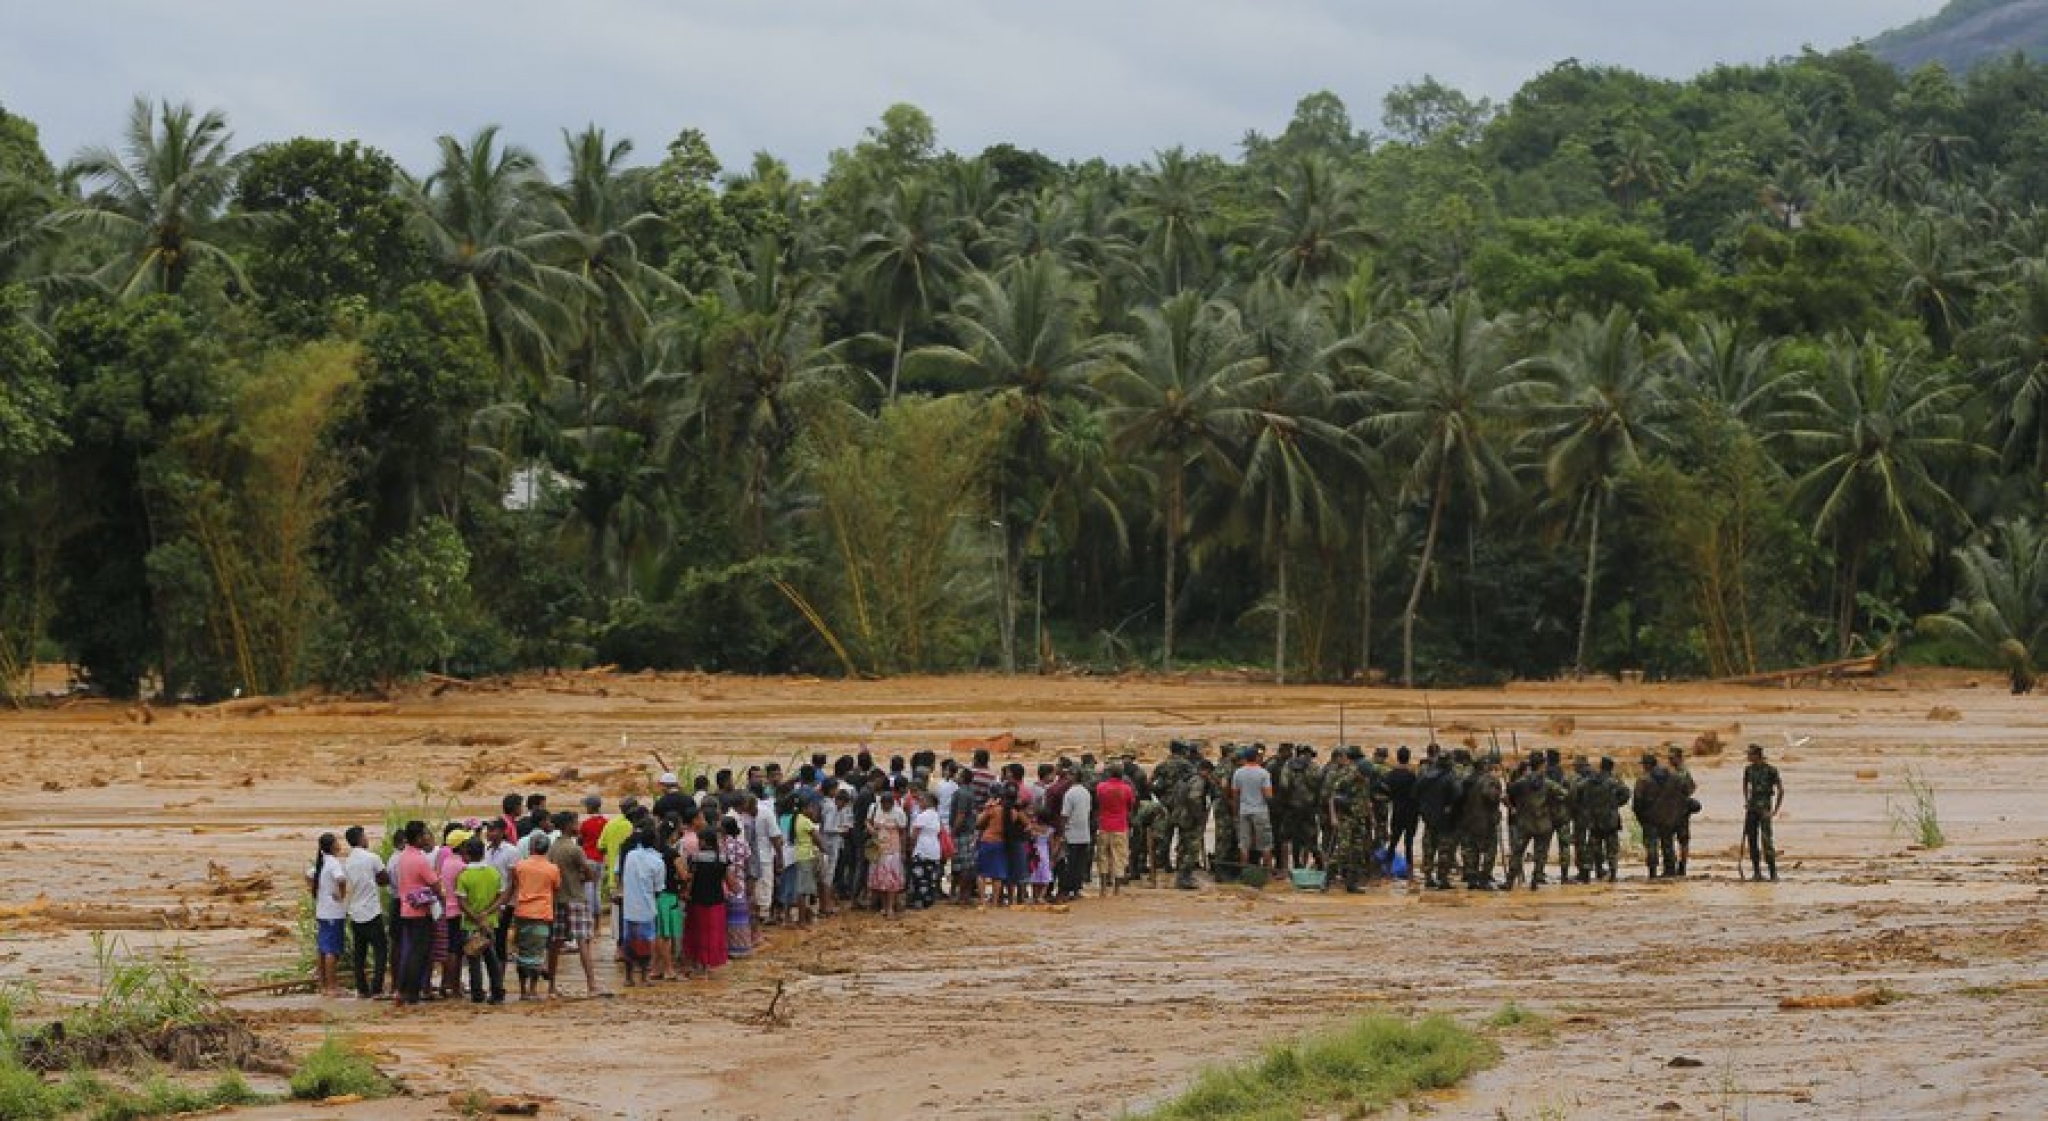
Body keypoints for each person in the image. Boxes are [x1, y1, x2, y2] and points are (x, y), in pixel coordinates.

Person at [546, 811, 602, 997]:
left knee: (556, 943)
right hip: (576, 899)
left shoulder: (552, 848)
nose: (579, 825)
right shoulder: (575, 849)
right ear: (570, 825)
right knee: (583, 941)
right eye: (576, 822)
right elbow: (588, 873)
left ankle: (551, 986)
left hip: (558, 899)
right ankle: (592, 985)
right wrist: (585, 876)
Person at [452, 837, 505, 1004]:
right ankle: (497, 991)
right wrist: (487, 912)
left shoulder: (464, 876)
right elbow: (500, 896)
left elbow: (461, 902)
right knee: (492, 957)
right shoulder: (493, 873)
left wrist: (475, 917)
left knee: (474, 958)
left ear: (467, 854)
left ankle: (477, 993)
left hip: (470, 924)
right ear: (483, 853)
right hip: (490, 922)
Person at [510, 833, 561, 1000]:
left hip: (522, 912)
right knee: (537, 953)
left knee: (523, 951)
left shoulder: (520, 866)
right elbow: (556, 888)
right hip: (542, 913)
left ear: (531, 848)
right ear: (547, 848)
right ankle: (533, 989)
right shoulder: (553, 869)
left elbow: (516, 884)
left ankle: (523, 990)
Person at [339, 826, 388, 999]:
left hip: (355, 911)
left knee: (360, 953)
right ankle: (377, 988)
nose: (367, 839)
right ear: (361, 839)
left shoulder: (348, 862)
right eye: (365, 836)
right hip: (371, 911)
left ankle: (362, 988)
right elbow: (384, 879)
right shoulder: (372, 858)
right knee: (381, 950)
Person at [681, 825, 730, 978]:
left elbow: (690, 880)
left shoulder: (694, 858)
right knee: (714, 933)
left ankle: (699, 964)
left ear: (703, 842)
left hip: (697, 901)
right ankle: (711, 964)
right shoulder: (722, 859)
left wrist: (685, 893)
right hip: (717, 901)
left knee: (697, 932)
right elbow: (729, 880)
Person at [619, 828, 664, 988]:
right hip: (646, 907)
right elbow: (658, 889)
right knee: (646, 942)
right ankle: (644, 977)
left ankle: (628, 977)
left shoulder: (630, 856)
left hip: (630, 907)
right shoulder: (658, 862)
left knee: (629, 942)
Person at [311, 833, 349, 998]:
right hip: (333, 911)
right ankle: (332, 986)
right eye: (337, 842)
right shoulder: (334, 863)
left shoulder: (322, 861)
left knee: (323, 948)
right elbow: (341, 879)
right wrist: (341, 895)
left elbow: (308, 874)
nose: (340, 844)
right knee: (331, 950)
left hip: (322, 910)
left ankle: (323, 984)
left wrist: (317, 892)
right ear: (333, 846)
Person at [1458, 756, 1503, 890]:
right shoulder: (1489, 780)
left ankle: (1472, 879)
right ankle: (1484, 879)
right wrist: (1499, 795)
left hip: (1470, 820)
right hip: (1486, 821)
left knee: (1472, 850)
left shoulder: (1467, 780)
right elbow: (1489, 794)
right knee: (1490, 851)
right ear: (1485, 766)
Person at [1632, 753, 1678, 879]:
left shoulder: (1643, 780)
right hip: (1668, 818)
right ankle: (1670, 871)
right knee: (1668, 844)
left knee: (1651, 845)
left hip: (1650, 819)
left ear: (1647, 765)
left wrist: (1641, 818)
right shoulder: (1672, 777)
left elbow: (1637, 802)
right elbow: (1679, 796)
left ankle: (1653, 873)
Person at [1742, 744, 1784, 881]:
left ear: (1757, 755)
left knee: (1767, 841)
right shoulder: (1748, 770)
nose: (1748, 756)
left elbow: (1781, 790)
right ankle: (1757, 873)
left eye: (1750, 754)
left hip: (1765, 808)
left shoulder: (1771, 770)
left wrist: (1775, 811)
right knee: (1752, 840)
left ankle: (1773, 873)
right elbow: (1745, 785)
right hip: (1752, 809)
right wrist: (1747, 801)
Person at [1093, 763, 1134, 895]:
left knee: (1102, 856)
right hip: (1120, 826)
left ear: (1109, 774)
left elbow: (1098, 801)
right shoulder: (1127, 789)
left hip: (1104, 825)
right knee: (1119, 857)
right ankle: (1116, 890)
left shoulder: (1101, 787)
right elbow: (1131, 805)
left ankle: (1103, 888)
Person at [1230, 748, 1274, 870]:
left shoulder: (1238, 773)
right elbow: (1268, 795)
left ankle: (1244, 872)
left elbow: (1235, 795)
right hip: (1260, 811)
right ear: (1256, 757)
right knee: (1265, 844)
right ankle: (1269, 873)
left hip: (1244, 811)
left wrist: (1235, 813)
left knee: (1244, 845)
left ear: (1245, 758)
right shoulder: (1263, 773)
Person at [868, 790, 908, 917]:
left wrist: (903, 850)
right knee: (881, 880)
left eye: (887, 804)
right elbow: (870, 824)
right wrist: (872, 831)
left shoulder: (899, 813)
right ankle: (885, 907)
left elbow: (902, 832)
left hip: (893, 850)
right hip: (879, 849)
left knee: (891, 880)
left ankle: (890, 907)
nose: (885, 806)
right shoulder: (877, 811)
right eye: (883, 804)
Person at [1057, 769, 1092, 902]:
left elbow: (1065, 815)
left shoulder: (1070, 793)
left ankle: (1065, 891)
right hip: (1084, 833)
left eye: (1069, 775)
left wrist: (1061, 832)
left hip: (1071, 833)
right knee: (1079, 864)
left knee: (1069, 864)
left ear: (1074, 777)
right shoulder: (1086, 792)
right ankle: (1076, 890)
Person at [907, 791, 943, 910]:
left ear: (927, 802)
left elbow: (914, 834)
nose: (919, 802)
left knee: (919, 877)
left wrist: (911, 847)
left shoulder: (923, 816)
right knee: (930, 877)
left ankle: (918, 900)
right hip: (934, 849)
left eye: (921, 800)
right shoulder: (936, 815)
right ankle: (928, 899)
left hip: (922, 848)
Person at [1666, 746, 1699, 877]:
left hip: (1678, 812)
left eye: (1672, 758)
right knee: (1681, 840)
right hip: (1679, 811)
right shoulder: (1682, 772)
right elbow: (1692, 788)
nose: (1669, 760)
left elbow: (1690, 788)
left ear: (1679, 758)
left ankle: (1679, 867)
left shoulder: (1680, 773)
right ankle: (1681, 866)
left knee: (1679, 840)